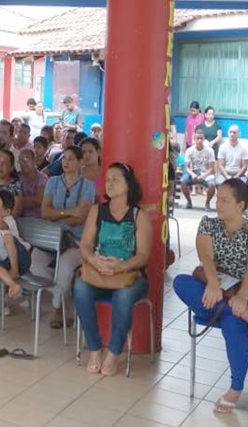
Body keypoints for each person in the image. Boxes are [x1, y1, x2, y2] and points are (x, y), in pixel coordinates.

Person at [173, 178, 248, 413]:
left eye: (225, 200)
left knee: (233, 323)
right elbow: (205, 256)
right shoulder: (208, 224)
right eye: (218, 198)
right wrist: (215, 284)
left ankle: (235, 389)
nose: (219, 204)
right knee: (181, 282)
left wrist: (243, 298)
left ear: (241, 205)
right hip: (212, 292)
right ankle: (245, 314)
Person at [73, 163, 152, 376]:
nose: (109, 183)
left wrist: (121, 266)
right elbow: (86, 244)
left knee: (124, 296)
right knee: (80, 288)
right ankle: (95, 349)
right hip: (99, 272)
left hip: (129, 276)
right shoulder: (97, 211)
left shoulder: (139, 216)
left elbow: (143, 255)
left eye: (116, 179)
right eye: (107, 179)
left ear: (128, 184)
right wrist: (94, 260)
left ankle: (114, 352)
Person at [35, 146, 97, 329]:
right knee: (34, 263)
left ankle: (56, 309)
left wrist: (58, 214)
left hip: (76, 241)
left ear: (80, 163)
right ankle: (61, 293)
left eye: (71, 159)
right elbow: (45, 213)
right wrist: (68, 212)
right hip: (53, 238)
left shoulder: (87, 186)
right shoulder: (53, 182)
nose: (66, 163)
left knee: (64, 265)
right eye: (64, 159)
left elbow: (82, 217)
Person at [0, 191, 32, 301]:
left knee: (8, 237)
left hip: (20, 257)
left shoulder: (9, 221)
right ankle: (13, 284)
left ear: (7, 211)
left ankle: (15, 270)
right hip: (5, 259)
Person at [182, 129, 217, 211]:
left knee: (212, 184)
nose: (199, 140)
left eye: (201, 138)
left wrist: (204, 176)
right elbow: (186, 167)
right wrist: (192, 174)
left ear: (204, 139)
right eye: (197, 138)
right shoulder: (189, 150)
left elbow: (211, 168)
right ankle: (189, 202)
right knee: (183, 181)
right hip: (194, 172)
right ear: (194, 139)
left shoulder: (210, 151)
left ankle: (207, 203)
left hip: (206, 173)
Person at [18, 148, 49, 219]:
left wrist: (21, 201)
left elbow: (39, 200)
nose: (23, 163)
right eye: (20, 160)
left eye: (26, 159)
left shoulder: (42, 178)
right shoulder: (18, 177)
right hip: (20, 218)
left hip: (38, 219)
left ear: (34, 161)